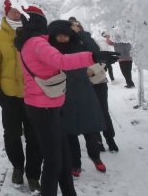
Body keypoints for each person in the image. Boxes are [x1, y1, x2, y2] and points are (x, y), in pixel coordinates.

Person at [14, 6, 119, 196]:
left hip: (49, 105)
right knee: (54, 160)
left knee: (62, 156)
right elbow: (61, 61)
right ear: (39, 22)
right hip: (43, 107)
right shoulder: (37, 43)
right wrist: (93, 56)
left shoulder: (31, 42)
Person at [0, 0, 42, 192]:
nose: (17, 14)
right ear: (7, 12)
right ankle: (18, 166)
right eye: (13, 11)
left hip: (33, 94)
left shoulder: (31, 33)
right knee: (11, 135)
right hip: (9, 95)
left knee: (35, 135)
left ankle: (33, 174)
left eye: (20, 11)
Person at [51, 19, 106, 176]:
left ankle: (95, 157)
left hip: (84, 92)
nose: (62, 39)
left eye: (65, 36)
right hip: (63, 93)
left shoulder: (78, 46)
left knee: (91, 130)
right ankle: (75, 163)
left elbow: (94, 50)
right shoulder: (52, 51)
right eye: (59, 36)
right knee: (69, 132)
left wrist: (81, 32)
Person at [71, 19, 118, 153]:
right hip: (82, 84)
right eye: (71, 27)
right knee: (90, 113)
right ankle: (97, 141)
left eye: (76, 26)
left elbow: (103, 58)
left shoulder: (90, 40)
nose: (74, 29)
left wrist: (92, 70)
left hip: (99, 81)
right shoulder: (70, 44)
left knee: (103, 111)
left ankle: (110, 138)